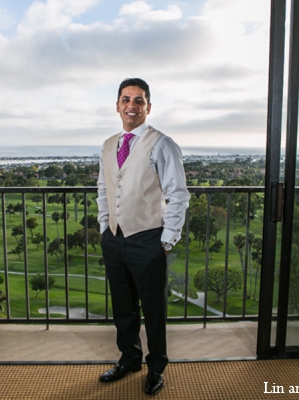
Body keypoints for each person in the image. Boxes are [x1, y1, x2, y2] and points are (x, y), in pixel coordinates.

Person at [96, 78, 190, 396]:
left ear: (148, 107)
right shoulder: (109, 145)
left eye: (139, 100)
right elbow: (104, 188)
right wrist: (103, 226)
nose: (131, 106)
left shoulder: (163, 144)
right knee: (123, 307)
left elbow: (178, 194)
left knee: (153, 310)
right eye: (126, 99)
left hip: (148, 239)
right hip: (114, 239)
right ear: (118, 105)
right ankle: (130, 360)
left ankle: (156, 368)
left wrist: (167, 240)